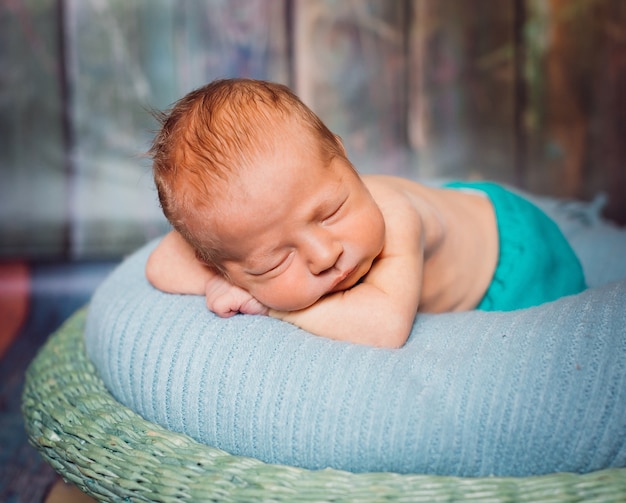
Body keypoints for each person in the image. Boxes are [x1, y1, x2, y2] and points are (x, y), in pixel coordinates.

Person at [146, 78, 586, 348]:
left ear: (340, 152)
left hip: (513, 260)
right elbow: (161, 264)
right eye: (274, 260)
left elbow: (385, 327)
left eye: (331, 211)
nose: (324, 254)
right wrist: (230, 277)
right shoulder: (241, 237)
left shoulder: (395, 218)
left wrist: (265, 300)